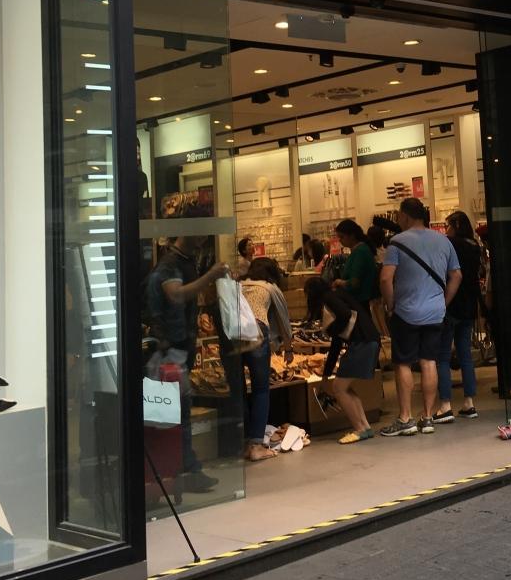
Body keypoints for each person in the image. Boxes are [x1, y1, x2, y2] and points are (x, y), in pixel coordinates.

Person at [146, 210, 230, 491]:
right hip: (169, 349)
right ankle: (184, 470)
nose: (205, 237)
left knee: (175, 413)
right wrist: (211, 276)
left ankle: (180, 469)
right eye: (201, 230)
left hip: (177, 347)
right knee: (173, 413)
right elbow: (176, 294)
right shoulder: (170, 264)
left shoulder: (183, 260)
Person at [378, 198, 462, 437]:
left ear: (405, 216)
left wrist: (390, 304)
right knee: (429, 361)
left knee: (403, 363)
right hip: (435, 313)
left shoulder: (397, 242)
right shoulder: (443, 240)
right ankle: (427, 417)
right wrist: (443, 301)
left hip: (406, 312)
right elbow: (457, 275)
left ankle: (406, 419)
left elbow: (385, 278)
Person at [307, 276, 381, 445]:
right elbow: (337, 342)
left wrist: (331, 329)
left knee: (339, 388)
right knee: (344, 387)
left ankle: (359, 429)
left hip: (362, 342)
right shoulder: (339, 296)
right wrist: (326, 374)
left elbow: (344, 316)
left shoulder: (330, 299)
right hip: (368, 341)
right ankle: (365, 427)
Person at [239, 258, 294, 461]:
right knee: (261, 389)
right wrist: (288, 349)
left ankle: (243, 442)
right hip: (256, 331)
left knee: (239, 391)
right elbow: (284, 320)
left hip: (233, 335)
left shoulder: (239, 284)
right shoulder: (269, 287)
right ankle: (256, 445)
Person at [434, 211, 481, 423]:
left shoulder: (450, 244)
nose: (446, 230)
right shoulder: (474, 245)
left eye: (448, 225)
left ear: (456, 225)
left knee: (443, 356)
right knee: (465, 355)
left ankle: (445, 405)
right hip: (469, 306)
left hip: (451, 305)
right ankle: (469, 403)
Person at [332, 219, 377, 305]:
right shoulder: (358, 250)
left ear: (352, 236)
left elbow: (354, 283)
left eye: (342, 237)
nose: (340, 240)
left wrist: (339, 282)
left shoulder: (360, 252)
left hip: (361, 302)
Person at [366, 223, 390, 338]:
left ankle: (385, 339)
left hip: (374, 291)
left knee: (378, 318)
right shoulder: (388, 252)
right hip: (388, 289)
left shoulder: (370, 255)